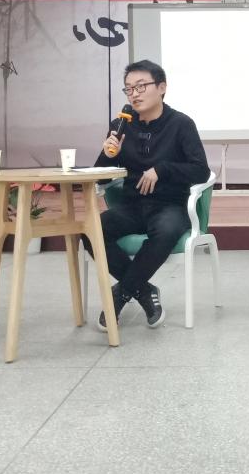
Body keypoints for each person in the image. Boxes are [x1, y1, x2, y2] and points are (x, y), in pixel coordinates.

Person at [84, 59, 210, 331]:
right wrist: (108, 154)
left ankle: (120, 295)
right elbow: (100, 177)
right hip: (132, 205)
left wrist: (162, 170)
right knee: (90, 229)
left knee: (165, 231)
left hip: (169, 205)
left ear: (162, 87)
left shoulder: (181, 124)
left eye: (141, 86)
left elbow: (201, 171)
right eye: (129, 89)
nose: (134, 94)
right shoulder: (121, 125)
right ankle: (142, 289)